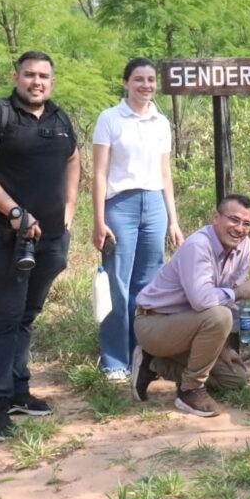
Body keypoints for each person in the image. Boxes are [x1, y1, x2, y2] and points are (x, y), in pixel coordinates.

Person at [0, 50, 80, 441]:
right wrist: (14, 212)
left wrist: (69, 205)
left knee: (27, 316)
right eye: (29, 75)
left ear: (52, 81)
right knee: (5, 318)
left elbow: (74, 160)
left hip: (49, 238)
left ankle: (16, 391)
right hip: (2, 236)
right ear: (16, 77)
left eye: (44, 76)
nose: (37, 82)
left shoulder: (60, 119)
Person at [91, 58, 185, 382]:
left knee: (147, 286)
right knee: (118, 283)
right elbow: (99, 173)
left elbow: (165, 173)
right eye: (139, 79)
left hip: (155, 205)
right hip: (120, 205)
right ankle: (114, 361)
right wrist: (98, 220)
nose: (146, 85)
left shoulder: (161, 122)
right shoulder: (110, 119)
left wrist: (173, 220)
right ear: (125, 83)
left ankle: (142, 356)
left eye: (150, 80)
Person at [130, 194, 250, 417]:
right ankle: (190, 390)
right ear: (216, 217)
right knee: (219, 317)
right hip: (155, 323)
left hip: (192, 325)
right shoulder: (199, 245)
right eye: (234, 220)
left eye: (246, 223)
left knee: (234, 378)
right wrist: (239, 293)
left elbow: (226, 301)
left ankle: (153, 363)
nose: (239, 228)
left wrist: (223, 347)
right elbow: (203, 300)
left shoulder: (244, 246)